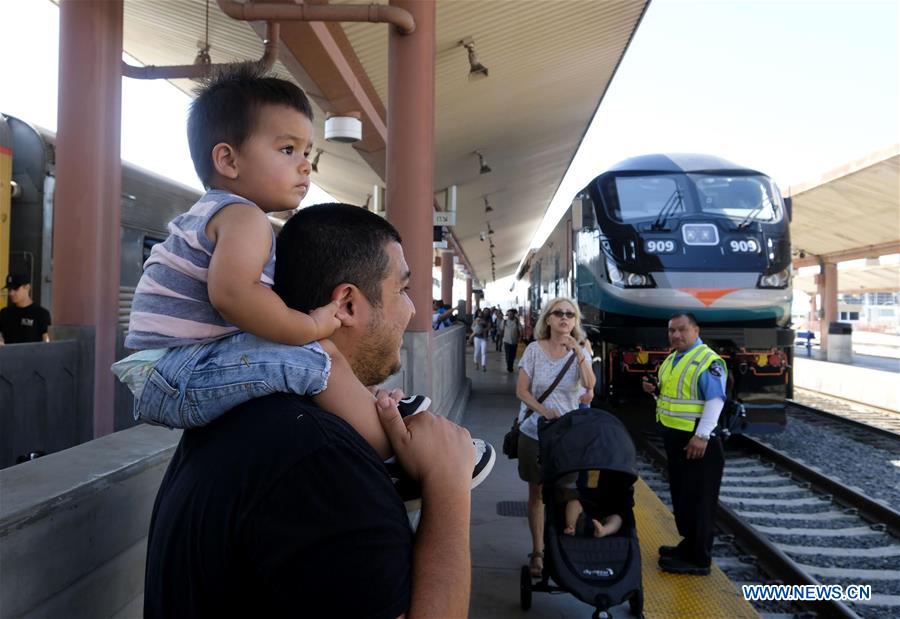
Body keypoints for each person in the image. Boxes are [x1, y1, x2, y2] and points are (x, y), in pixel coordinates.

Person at [144, 203, 475, 618]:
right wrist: (448, 487)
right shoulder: (322, 463)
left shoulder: (240, 417)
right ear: (348, 305)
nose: (411, 311)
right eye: (402, 290)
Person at [113, 65, 400, 460]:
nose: (304, 165)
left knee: (310, 356)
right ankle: (392, 455)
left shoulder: (216, 212)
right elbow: (233, 294)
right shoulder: (244, 217)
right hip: (179, 371)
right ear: (229, 161)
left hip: (171, 371)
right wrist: (311, 325)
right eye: (287, 150)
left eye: (306, 153)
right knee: (320, 356)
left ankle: (371, 413)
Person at [515, 297, 595, 577]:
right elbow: (522, 391)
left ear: (575, 322)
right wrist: (542, 410)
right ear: (547, 319)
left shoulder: (581, 348)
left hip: (567, 435)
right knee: (536, 493)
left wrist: (579, 352)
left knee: (566, 492)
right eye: (558, 313)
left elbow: (589, 385)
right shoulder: (535, 350)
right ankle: (538, 552)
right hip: (534, 432)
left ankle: (561, 547)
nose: (564, 318)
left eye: (570, 315)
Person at [642, 312, 727, 576]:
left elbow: (715, 401)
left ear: (696, 330)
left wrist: (701, 436)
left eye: (682, 330)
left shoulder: (708, 360)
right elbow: (674, 396)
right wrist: (654, 390)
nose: (676, 335)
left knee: (700, 500)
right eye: (671, 331)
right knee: (684, 496)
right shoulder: (672, 359)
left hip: (697, 442)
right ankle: (688, 545)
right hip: (678, 439)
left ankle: (699, 559)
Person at [563, 470, 623, 538]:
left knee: (617, 518)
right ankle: (571, 526)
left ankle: (603, 531)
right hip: (581, 519)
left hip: (601, 523)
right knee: (573, 502)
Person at [0, 274, 51, 345]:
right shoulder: (4, 313)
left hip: (32, 355)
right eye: (9, 289)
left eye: (15, 289)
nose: (11, 293)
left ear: (27, 287)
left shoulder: (41, 313)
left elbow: (47, 342)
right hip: (9, 355)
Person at [501, 308, 522, 373]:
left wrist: (520, 337)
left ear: (513, 315)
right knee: (508, 354)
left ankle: (511, 365)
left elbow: (520, 330)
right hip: (506, 340)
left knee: (513, 355)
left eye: (511, 314)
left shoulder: (517, 321)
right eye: (509, 314)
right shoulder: (504, 321)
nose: (510, 315)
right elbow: (501, 329)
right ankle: (509, 366)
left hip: (514, 341)